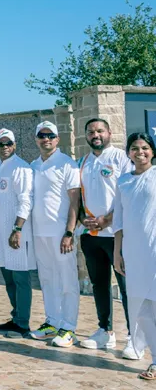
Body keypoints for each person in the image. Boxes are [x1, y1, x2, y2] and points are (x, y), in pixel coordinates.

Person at [77, 119, 138, 358]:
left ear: (109, 133)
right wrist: (83, 218)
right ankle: (105, 330)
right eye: (91, 131)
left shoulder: (121, 159)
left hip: (117, 236)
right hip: (91, 236)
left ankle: (135, 337)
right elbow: (78, 198)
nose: (96, 135)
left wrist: (107, 220)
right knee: (99, 285)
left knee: (126, 288)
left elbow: (126, 196)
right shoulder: (83, 162)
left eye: (100, 131)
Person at [28, 121, 81, 347]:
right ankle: (52, 322)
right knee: (47, 279)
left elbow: (74, 201)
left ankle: (68, 327)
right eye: (42, 135)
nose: (46, 139)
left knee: (67, 280)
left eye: (50, 135)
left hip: (61, 233)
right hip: (39, 233)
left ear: (57, 139)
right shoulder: (33, 164)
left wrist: (69, 232)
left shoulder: (67, 164)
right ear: (37, 139)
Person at [113, 132, 156, 380]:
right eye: (134, 148)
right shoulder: (123, 181)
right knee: (140, 309)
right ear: (128, 153)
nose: (140, 152)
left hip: (154, 249)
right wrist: (118, 252)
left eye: (145, 147)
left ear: (152, 150)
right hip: (133, 251)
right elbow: (118, 219)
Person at [0, 129, 35, 339]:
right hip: (0, 235)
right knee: (8, 277)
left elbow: (26, 200)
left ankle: (23, 323)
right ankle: (15, 316)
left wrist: (17, 229)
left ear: (15, 145)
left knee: (20, 277)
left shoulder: (21, 168)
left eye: (8, 143)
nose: (5, 147)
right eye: (1, 144)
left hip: (16, 233)